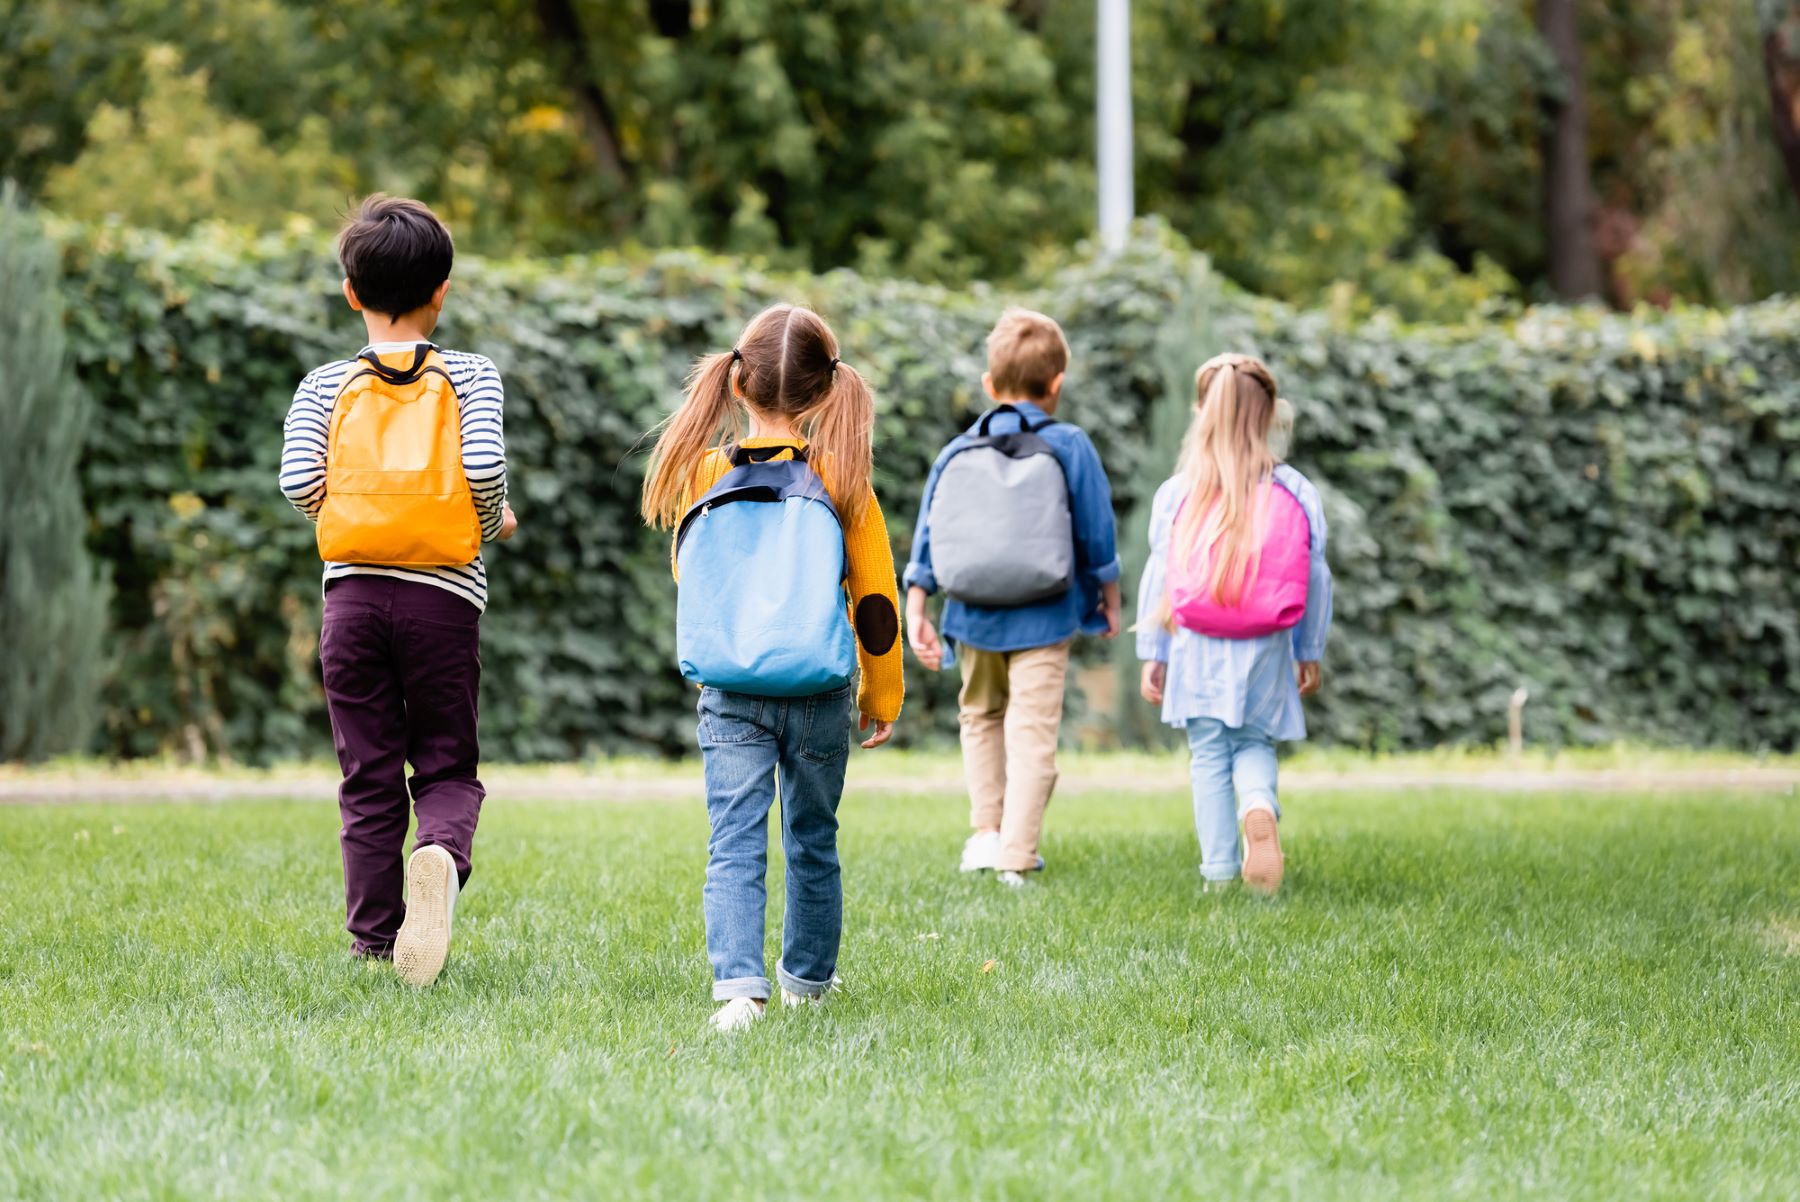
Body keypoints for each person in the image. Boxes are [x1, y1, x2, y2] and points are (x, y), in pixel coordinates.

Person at [640, 303, 902, 1033]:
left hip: (729, 689)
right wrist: (883, 693)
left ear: (738, 385)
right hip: (818, 689)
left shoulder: (699, 472)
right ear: (825, 393)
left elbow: (690, 573)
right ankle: (809, 982)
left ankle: (738, 991)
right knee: (812, 836)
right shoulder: (842, 480)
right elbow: (875, 602)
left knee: (734, 838)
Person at [279, 195, 516, 985]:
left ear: (351, 292)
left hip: (349, 601)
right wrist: (492, 519)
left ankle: (373, 939)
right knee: (446, 762)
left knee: (367, 770)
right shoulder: (472, 375)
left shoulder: (322, 385)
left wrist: (349, 510)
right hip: (442, 599)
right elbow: (481, 469)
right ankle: (441, 856)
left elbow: (298, 480)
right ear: (442, 289)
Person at [904, 309, 1121, 887]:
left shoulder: (957, 450)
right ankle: (1017, 856)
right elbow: (1098, 534)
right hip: (1046, 616)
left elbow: (928, 533)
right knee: (1032, 733)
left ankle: (985, 835)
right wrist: (1109, 599)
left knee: (980, 718)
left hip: (971, 615)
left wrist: (918, 606)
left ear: (989, 386)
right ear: (1056, 384)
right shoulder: (1070, 444)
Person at [1135, 353, 1332, 895]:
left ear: (1203, 411)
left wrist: (1154, 651)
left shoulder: (1178, 493)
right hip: (1267, 642)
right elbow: (1316, 579)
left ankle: (1218, 875)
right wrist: (1308, 649)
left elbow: (1159, 578)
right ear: (1270, 414)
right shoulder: (1295, 490)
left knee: (1208, 752)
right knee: (1253, 741)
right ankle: (1259, 804)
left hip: (1195, 641)